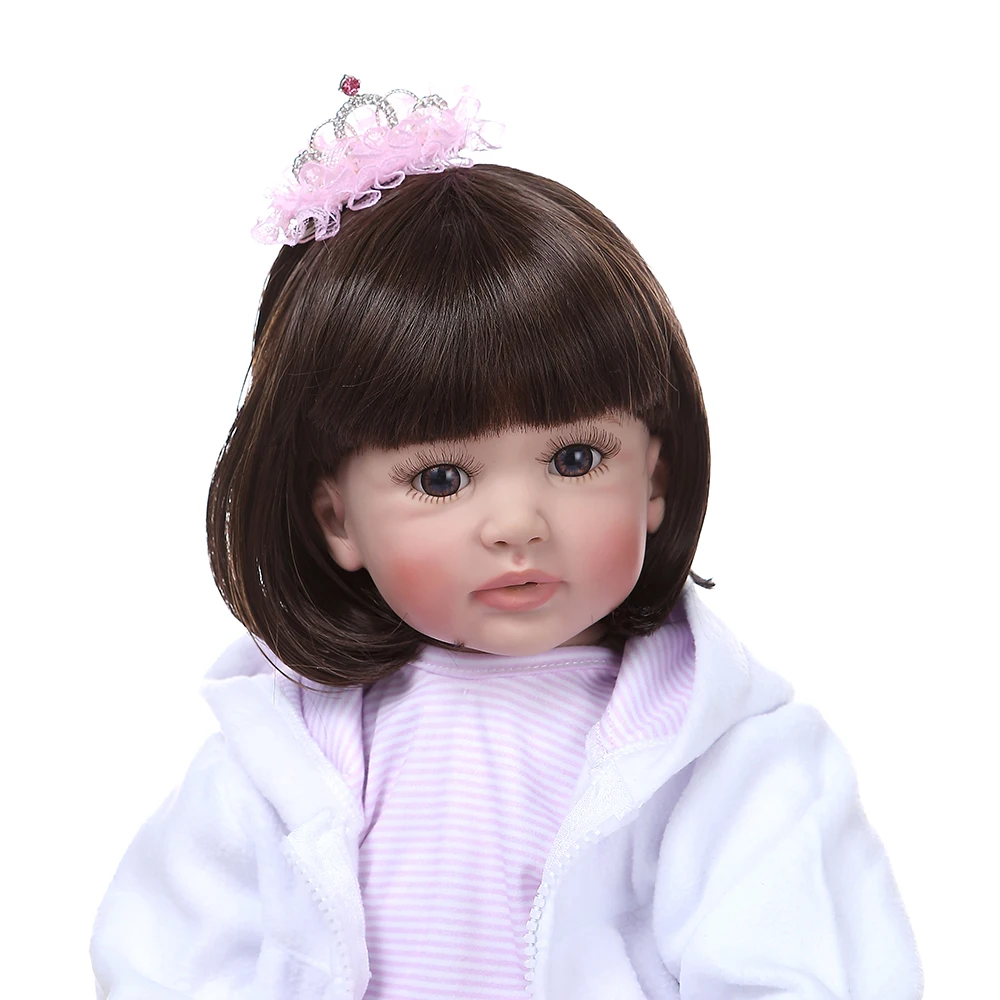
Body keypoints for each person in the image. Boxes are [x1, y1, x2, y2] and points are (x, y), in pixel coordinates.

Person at [90, 78, 923, 999]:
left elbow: (795, 968)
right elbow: (168, 960)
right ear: (337, 519)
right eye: (441, 479)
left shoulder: (725, 759)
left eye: (575, 459)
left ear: (654, 478)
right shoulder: (281, 757)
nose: (519, 522)